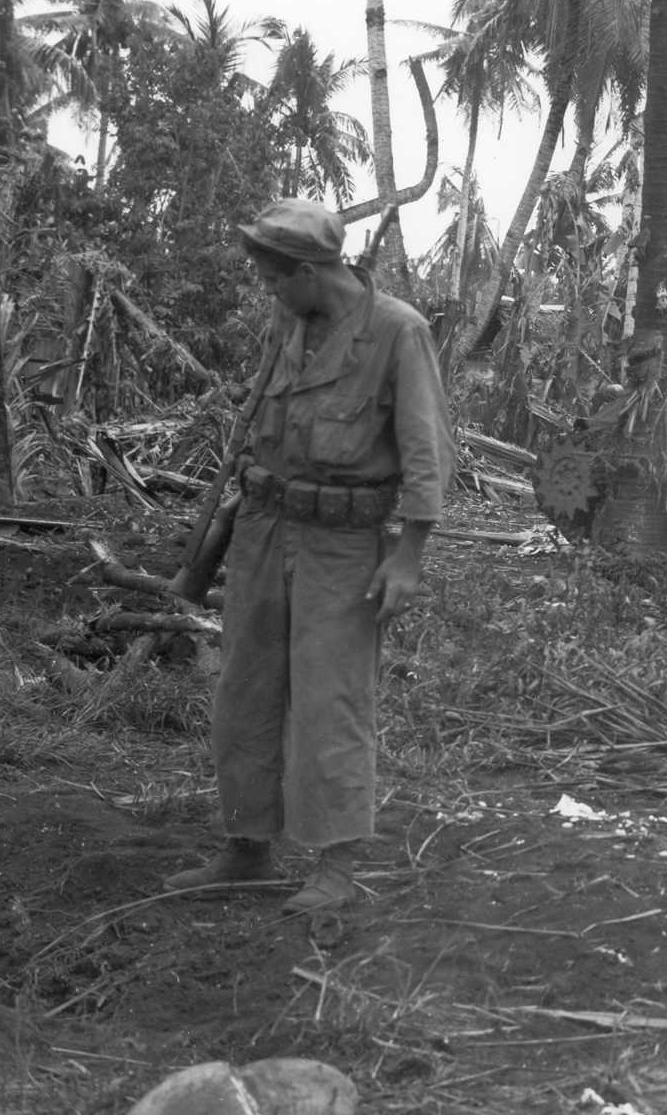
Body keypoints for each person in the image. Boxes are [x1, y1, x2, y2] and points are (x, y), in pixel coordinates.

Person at [166, 199, 455, 913]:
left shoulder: (398, 333)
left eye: (272, 277)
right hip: (264, 527)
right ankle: (247, 846)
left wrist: (408, 556)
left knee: (332, 700)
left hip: (344, 543)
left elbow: (428, 452)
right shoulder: (289, 320)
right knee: (245, 690)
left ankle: (336, 865)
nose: (267, 290)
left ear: (306, 270)